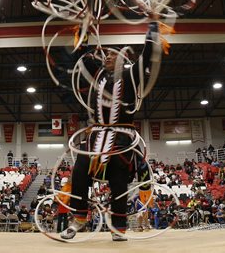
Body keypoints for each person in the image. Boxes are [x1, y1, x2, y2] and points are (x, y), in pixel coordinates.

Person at [60, 22, 162, 241]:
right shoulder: (98, 77)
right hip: (96, 135)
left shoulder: (132, 75)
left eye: (112, 56)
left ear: (123, 60)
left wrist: (153, 25)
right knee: (79, 171)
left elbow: (149, 53)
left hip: (122, 136)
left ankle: (118, 228)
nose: (107, 57)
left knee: (118, 182)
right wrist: (84, 28)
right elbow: (83, 55)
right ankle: (78, 219)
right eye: (105, 55)